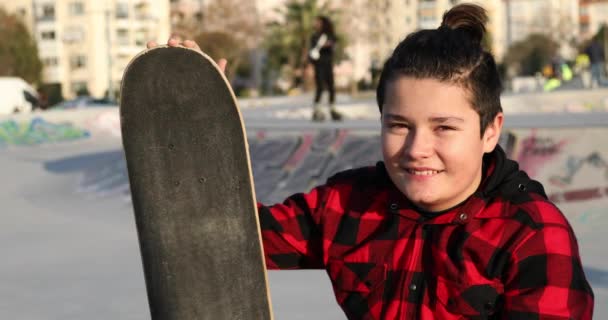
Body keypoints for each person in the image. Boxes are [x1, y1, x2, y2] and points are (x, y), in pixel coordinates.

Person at [148, 3, 594, 319]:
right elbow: (227, 239)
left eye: (444, 128)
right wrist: (196, 129)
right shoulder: (349, 205)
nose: (417, 148)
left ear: (491, 130)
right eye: (399, 125)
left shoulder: (531, 236)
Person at [308, 15, 343, 122]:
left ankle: (332, 109)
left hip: (328, 64)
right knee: (320, 87)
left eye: (318, 22)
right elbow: (312, 51)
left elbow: (334, 42)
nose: (316, 24)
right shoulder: (314, 36)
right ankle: (316, 110)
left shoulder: (330, 35)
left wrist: (330, 44)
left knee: (331, 87)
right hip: (319, 65)